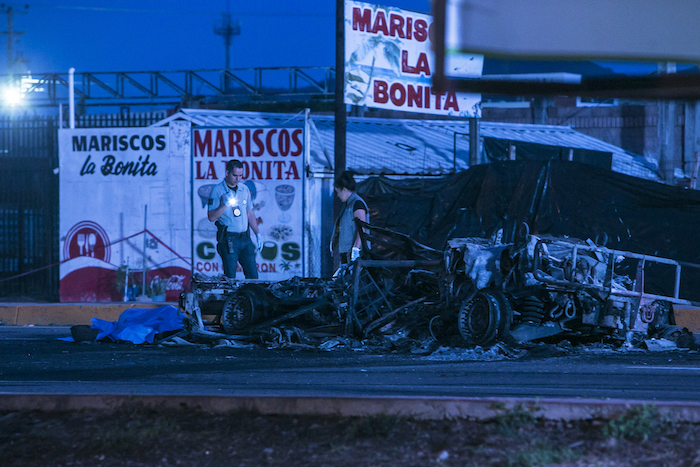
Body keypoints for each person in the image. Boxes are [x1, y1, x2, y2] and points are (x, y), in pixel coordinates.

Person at [208, 160, 262, 279]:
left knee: (253, 276)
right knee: (230, 277)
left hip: (245, 238)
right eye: (235, 175)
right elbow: (211, 217)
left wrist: (257, 233)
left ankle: (249, 298)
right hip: (229, 239)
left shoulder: (244, 189)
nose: (238, 179)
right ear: (227, 173)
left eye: (240, 175)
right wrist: (224, 204)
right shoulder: (217, 191)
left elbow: (250, 213)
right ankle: (230, 297)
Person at [331, 171, 368, 265]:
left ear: (344, 189)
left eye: (338, 192)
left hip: (356, 253)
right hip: (346, 252)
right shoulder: (347, 205)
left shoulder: (357, 203)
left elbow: (361, 227)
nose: (337, 195)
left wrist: (356, 248)